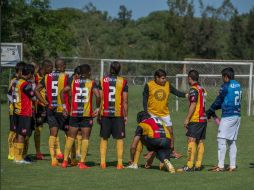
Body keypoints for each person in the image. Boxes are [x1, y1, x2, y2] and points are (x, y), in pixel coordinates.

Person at [143, 69, 188, 165]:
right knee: (152, 134)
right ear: (157, 78)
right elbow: (144, 99)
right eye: (162, 78)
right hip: (152, 114)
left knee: (170, 132)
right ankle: (151, 152)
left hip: (164, 113)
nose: (164, 80)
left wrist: (186, 95)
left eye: (165, 78)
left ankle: (172, 151)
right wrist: (146, 112)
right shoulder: (149, 85)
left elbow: (176, 92)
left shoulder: (167, 85)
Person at [60, 64, 100, 169]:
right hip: (86, 115)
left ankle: (64, 161)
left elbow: (62, 92)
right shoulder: (91, 83)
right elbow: (98, 95)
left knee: (70, 137)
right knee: (85, 138)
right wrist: (97, 108)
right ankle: (82, 163)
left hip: (74, 114)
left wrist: (64, 106)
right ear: (88, 72)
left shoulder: (73, 82)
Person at [35, 58, 69, 166]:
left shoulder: (46, 77)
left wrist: (44, 102)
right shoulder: (66, 77)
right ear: (62, 66)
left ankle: (53, 159)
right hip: (62, 109)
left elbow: (36, 90)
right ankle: (69, 159)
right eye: (65, 66)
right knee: (70, 133)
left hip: (51, 108)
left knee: (53, 133)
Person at [206, 67, 241, 172]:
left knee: (221, 139)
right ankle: (232, 166)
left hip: (228, 116)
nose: (222, 79)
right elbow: (227, 100)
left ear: (226, 76)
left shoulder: (226, 86)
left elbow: (219, 100)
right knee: (231, 141)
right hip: (237, 115)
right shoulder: (238, 85)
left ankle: (220, 166)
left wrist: (210, 111)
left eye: (222, 77)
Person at [98, 61, 128, 169]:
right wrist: (126, 115)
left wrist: (99, 113)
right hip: (118, 114)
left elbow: (101, 98)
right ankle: (119, 163)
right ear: (119, 69)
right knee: (119, 138)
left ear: (110, 68)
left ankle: (102, 163)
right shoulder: (123, 81)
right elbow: (125, 100)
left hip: (105, 113)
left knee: (104, 138)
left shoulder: (102, 80)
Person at [178, 70, 207, 172]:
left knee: (191, 140)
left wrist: (187, 118)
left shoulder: (193, 89)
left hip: (196, 119)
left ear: (190, 78)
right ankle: (198, 165)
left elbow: (193, 104)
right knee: (200, 141)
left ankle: (189, 166)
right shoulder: (202, 89)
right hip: (203, 119)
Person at [10, 64, 36, 164]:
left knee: (18, 134)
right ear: (29, 74)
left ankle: (17, 156)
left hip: (16, 111)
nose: (32, 76)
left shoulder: (15, 81)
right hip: (24, 112)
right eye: (32, 74)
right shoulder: (25, 84)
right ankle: (19, 158)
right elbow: (33, 97)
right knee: (22, 134)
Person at [34, 60, 53, 160]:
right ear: (46, 67)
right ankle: (37, 152)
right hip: (40, 107)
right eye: (51, 68)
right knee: (38, 129)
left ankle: (56, 151)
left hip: (50, 106)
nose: (52, 70)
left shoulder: (50, 77)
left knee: (54, 127)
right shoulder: (35, 77)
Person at [7, 61, 26, 160]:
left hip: (21, 111)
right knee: (13, 131)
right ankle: (11, 152)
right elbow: (9, 94)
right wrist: (13, 105)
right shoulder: (14, 81)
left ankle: (18, 152)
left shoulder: (24, 82)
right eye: (22, 72)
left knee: (20, 132)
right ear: (17, 72)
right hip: (13, 110)